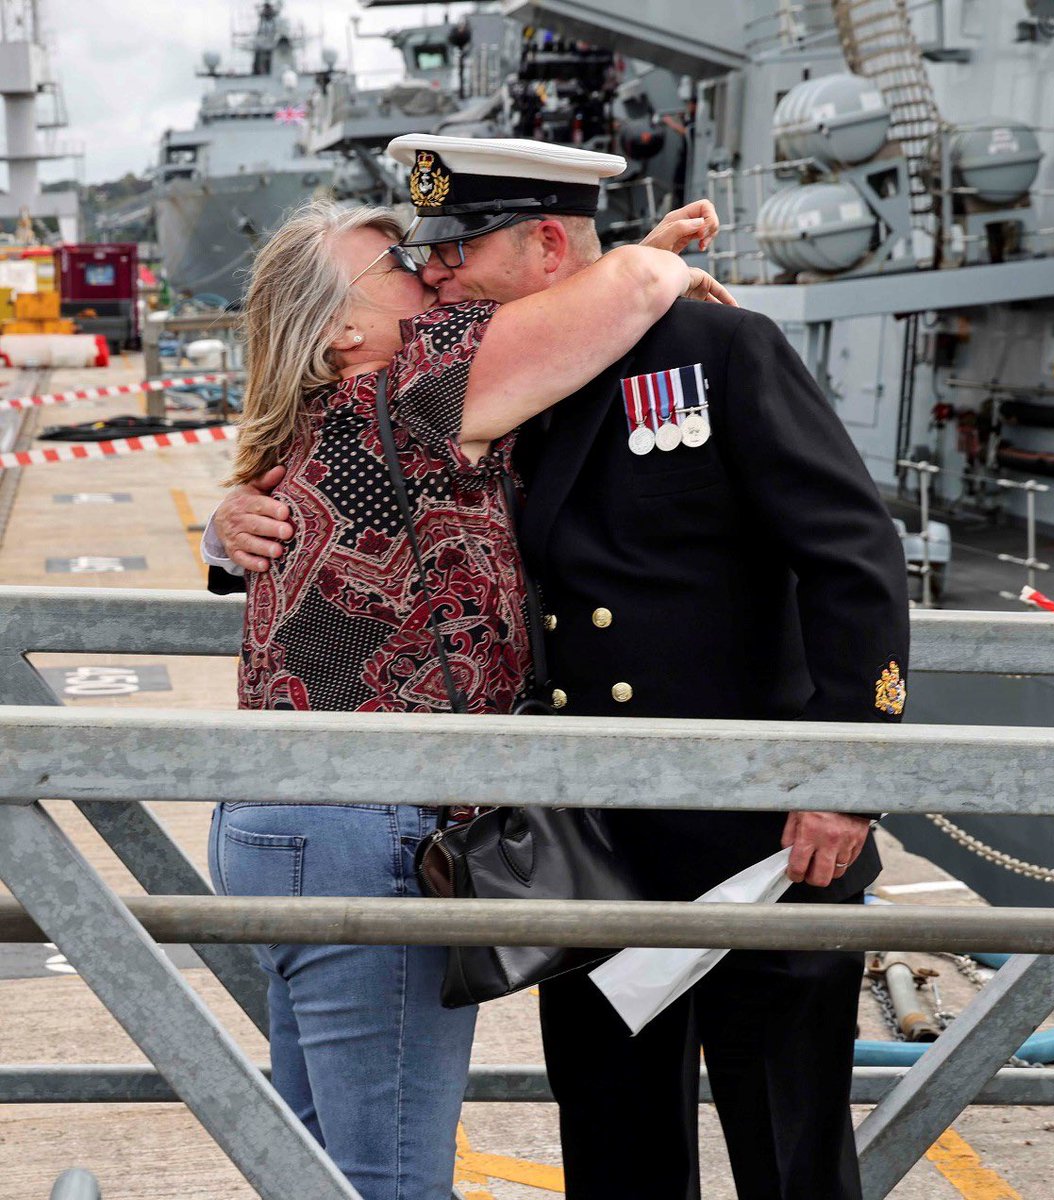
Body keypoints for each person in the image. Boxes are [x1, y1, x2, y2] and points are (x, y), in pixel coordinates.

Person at [208, 133, 909, 1200]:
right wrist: (226, 528)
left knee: (790, 1155)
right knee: (616, 1159)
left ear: (541, 243)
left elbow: (850, 558)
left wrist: (847, 783)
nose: (434, 269)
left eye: (452, 247)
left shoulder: (714, 353)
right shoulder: (464, 382)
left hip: (759, 843)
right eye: (415, 256)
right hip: (582, 851)